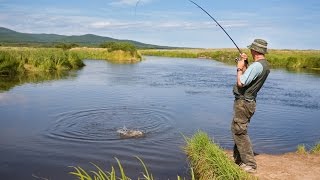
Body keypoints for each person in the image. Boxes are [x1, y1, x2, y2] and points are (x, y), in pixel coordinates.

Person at [231, 39, 270, 173]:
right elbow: (249, 77)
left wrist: (239, 67)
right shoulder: (263, 65)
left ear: (255, 50)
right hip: (248, 102)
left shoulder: (257, 66)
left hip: (244, 103)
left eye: (251, 49)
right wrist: (245, 63)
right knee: (237, 129)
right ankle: (238, 160)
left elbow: (241, 82)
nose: (250, 51)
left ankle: (250, 165)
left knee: (240, 131)